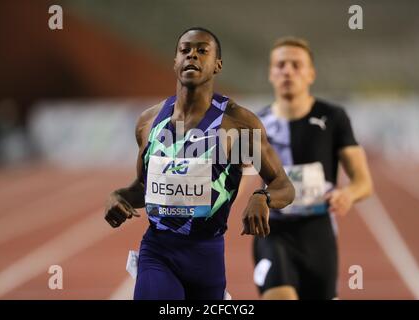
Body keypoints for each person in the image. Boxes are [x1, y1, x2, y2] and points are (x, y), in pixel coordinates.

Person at [104, 27, 295, 300]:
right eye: (185, 50)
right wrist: (117, 196)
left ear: (217, 65)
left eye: (202, 50)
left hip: (206, 257)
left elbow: (283, 185)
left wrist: (262, 197)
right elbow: (142, 188)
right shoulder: (149, 123)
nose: (192, 55)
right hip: (158, 251)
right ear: (175, 61)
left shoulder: (237, 125)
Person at [252, 37, 373, 300]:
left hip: (318, 233)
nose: (287, 71)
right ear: (271, 73)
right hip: (273, 231)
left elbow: (363, 181)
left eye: (296, 65)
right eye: (280, 64)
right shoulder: (256, 124)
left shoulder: (334, 118)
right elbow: (236, 176)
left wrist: (348, 195)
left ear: (311, 74)